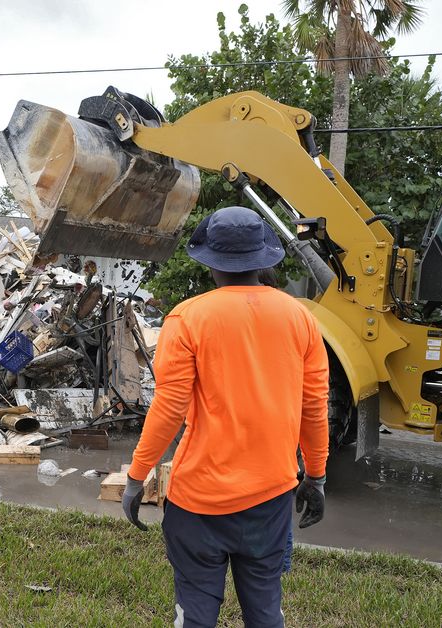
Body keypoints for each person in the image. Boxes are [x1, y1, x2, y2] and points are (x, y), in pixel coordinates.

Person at [121, 206, 329, 627]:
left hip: (198, 501)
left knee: (195, 611)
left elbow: (169, 408)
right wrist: (317, 476)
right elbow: (314, 407)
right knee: (266, 610)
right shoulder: (301, 319)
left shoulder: (187, 318)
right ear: (263, 257)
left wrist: (136, 476)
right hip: (270, 498)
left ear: (209, 261)